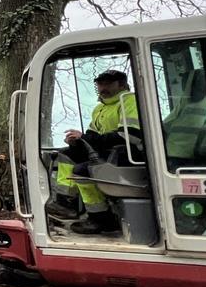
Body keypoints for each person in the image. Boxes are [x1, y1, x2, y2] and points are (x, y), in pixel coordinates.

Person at [47, 69, 139, 234]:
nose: (103, 88)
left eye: (108, 83)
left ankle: (101, 219)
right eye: (100, 84)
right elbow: (92, 136)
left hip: (128, 155)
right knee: (67, 155)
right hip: (108, 153)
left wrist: (87, 138)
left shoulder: (129, 101)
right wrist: (77, 141)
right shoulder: (100, 109)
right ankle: (66, 204)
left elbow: (130, 136)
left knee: (82, 170)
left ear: (122, 85)